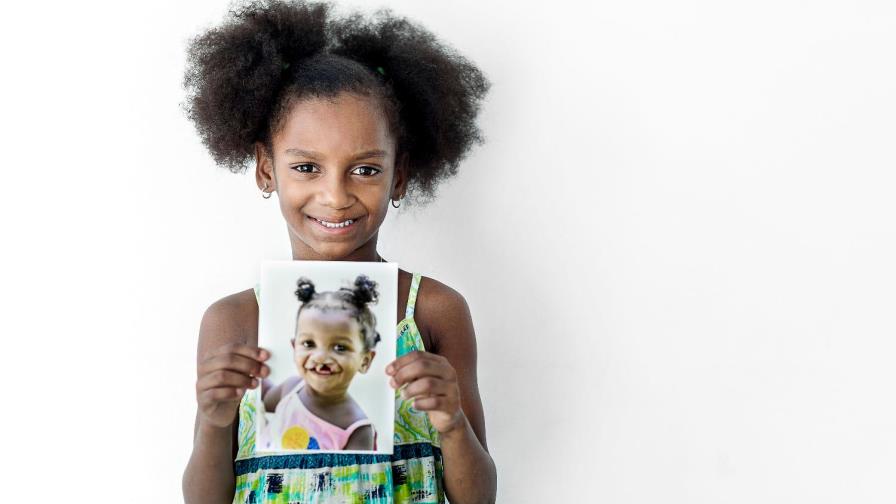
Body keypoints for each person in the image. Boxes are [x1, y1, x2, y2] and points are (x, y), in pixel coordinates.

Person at [181, 0, 496, 502]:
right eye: (307, 167)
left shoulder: (433, 311)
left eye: (366, 169)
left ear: (399, 176)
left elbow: (479, 497)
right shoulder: (234, 321)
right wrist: (212, 423)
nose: (335, 195)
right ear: (266, 169)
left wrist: (452, 422)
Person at [258, 275, 382, 451]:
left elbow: (356, 470)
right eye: (309, 344)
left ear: (365, 361)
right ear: (294, 347)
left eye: (340, 347)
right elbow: (261, 394)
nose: (321, 357)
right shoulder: (290, 389)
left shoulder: (358, 430)